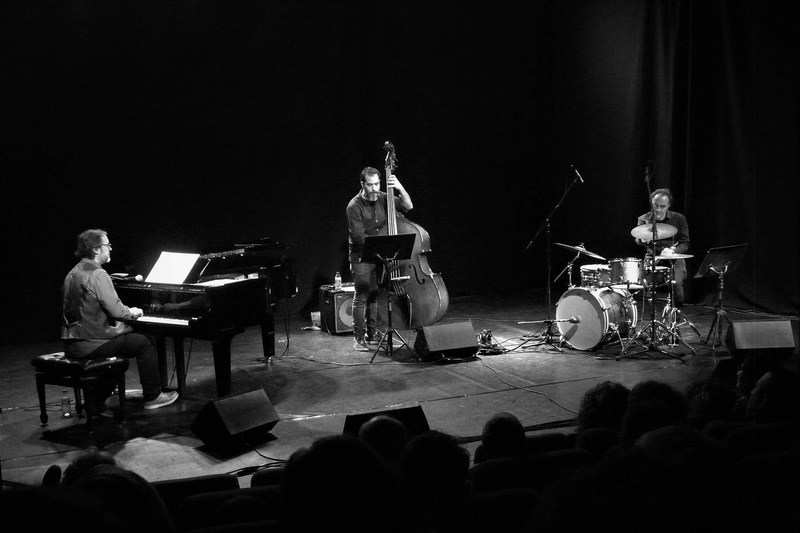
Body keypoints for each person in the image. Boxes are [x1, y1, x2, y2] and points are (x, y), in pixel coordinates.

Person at [62, 229, 178, 412]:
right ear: (95, 249)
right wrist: (132, 312)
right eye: (107, 245)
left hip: (71, 342)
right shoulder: (98, 274)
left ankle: (96, 401)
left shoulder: (72, 272)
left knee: (125, 346)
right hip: (91, 343)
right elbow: (117, 311)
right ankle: (153, 396)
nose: (110, 248)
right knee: (145, 342)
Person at [346, 166, 413, 351]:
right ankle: (359, 338)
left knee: (375, 294)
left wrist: (399, 187)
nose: (375, 188)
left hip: (380, 255)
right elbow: (359, 238)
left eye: (377, 184)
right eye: (370, 185)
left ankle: (372, 332)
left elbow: (408, 206)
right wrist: (383, 245)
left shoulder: (384, 197)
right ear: (362, 184)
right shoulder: (354, 206)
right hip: (361, 256)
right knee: (362, 295)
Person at [634, 188, 690, 306]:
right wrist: (642, 240)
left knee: (678, 295)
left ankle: (674, 311)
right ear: (651, 203)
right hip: (653, 258)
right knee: (643, 293)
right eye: (655, 205)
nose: (658, 209)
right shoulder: (643, 219)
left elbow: (685, 243)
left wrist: (673, 250)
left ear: (669, 205)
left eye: (663, 206)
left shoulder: (679, 218)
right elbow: (638, 238)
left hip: (674, 258)